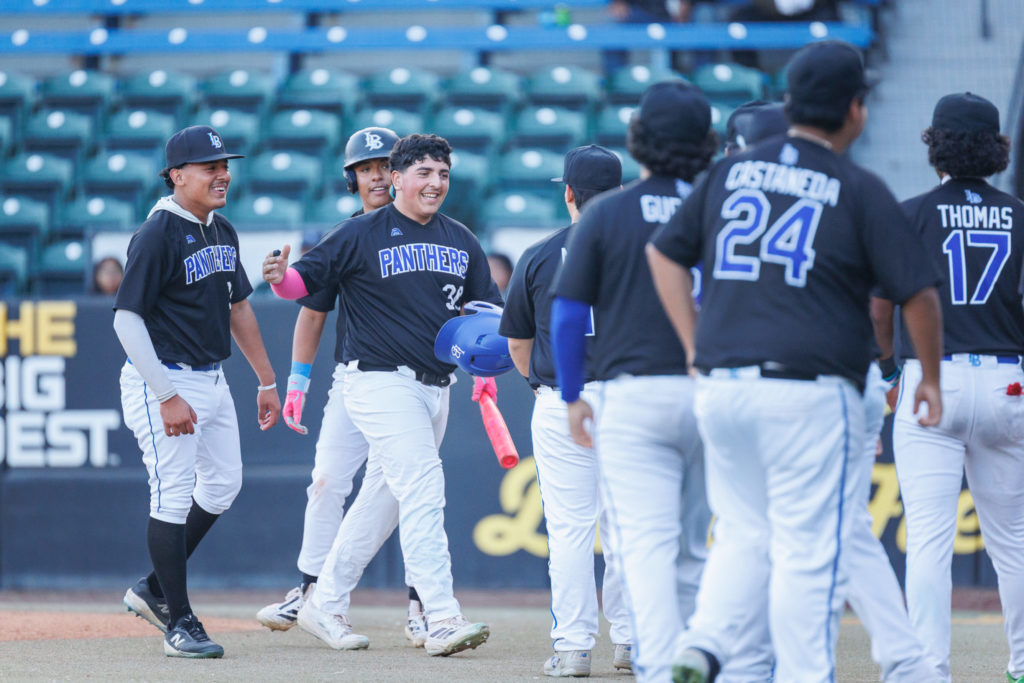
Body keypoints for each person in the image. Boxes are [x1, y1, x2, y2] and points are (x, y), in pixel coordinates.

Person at [645, 40, 944, 682]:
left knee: (746, 531)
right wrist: (932, 379)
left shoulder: (730, 173)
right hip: (811, 391)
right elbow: (916, 294)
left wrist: (696, 346)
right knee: (811, 551)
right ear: (857, 110)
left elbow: (665, 254)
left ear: (789, 102)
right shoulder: (856, 185)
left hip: (723, 385)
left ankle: (704, 641)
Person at [714, 101, 938, 682]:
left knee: (783, 535)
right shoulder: (840, 186)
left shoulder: (731, 188)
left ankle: (757, 661)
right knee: (835, 530)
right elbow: (893, 292)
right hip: (840, 373)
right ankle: (903, 661)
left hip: (795, 378)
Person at [262, 133, 501, 657]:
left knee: (379, 503)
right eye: (424, 173)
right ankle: (438, 614)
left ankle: (323, 600)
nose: (435, 182)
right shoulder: (360, 232)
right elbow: (303, 288)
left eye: (442, 173)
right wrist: (279, 281)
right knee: (421, 485)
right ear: (397, 179)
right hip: (377, 380)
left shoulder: (461, 238)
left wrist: (487, 366)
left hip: (436, 386)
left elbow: (486, 313)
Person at [550, 81, 716, 682]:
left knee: (640, 542)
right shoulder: (717, 203)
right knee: (695, 543)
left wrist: (571, 395)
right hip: (708, 392)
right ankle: (693, 658)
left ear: (640, 141)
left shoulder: (607, 213)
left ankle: (656, 662)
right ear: (705, 142)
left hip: (631, 394)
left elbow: (568, 316)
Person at [255, 126, 431, 646]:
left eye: (385, 165)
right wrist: (297, 383)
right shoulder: (345, 234)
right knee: (328, 480)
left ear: (401, 174)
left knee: (410, 489)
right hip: (356, 380)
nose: (376, 174)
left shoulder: (432, 228)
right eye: (366, 167)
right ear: (352, 178)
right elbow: (311, 312)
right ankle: (312, 592)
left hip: (414, 383)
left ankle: (422, 602)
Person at [115, 125, 281, 658]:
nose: (222, 174)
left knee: (223, 486)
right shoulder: (158, 232)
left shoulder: (221, 228)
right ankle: (179, 622)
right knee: (171, 494)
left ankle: (154, 588)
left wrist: (267, 379)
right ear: (176, 175)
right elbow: (126, 321)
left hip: (212, 377)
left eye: (224, 164)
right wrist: (165, 394)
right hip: (162, 376)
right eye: (209, 166)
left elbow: (238, 308)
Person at [877, 92, 1024, 683]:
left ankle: (929, 670)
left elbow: (879, 308)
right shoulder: (1020, 214)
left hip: (929, 382)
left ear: (934, 142)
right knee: (1013, 540)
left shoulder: (908, 214)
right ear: (995, 149)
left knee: (931, 542)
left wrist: (888, 373)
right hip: (1008, 382)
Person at [499, 145, 632, 677]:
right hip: (630, 399)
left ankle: (575, 648)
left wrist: (540, 385)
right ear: (621, 192)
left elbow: (517, 344)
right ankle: (632, 640)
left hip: (564, 399)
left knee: (571, 531)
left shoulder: (538, 253)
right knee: (631, 527)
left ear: (569, 193)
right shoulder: (649, 247)